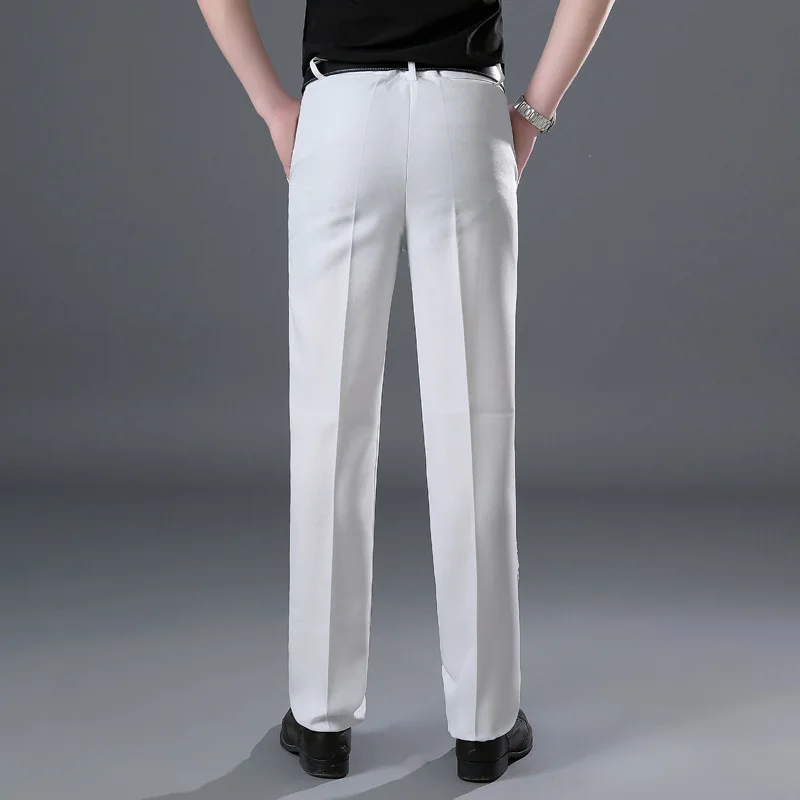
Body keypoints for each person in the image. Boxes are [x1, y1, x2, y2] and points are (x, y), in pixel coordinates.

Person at [196, 0, 616, 784]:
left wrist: (272, 105)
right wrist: (533, 114)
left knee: (328, 420)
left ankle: (320, 718)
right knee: (475, 424)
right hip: (464, 110)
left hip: (341, 111)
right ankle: (485, 724)